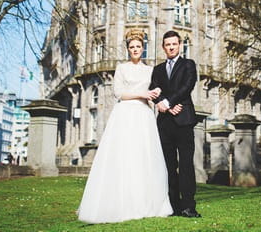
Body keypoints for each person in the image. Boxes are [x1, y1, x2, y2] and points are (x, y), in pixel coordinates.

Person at [77, 30, 173, 224]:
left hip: (144, 115)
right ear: (128, 49)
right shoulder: (121, 68)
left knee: (144, 157)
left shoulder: (150, 70)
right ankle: (120, 202)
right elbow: (119, 93)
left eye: (138, 46)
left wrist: (157, 95)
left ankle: (146, 201)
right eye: (132, 47)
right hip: (125, 113)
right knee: (123, 155)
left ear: (143, 48)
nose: (135, 50)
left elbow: (155, 91)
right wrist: (143, 94)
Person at [150, 30, 201, 218]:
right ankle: (173, 206)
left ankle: (189, 206)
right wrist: (165, 105)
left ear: (179, 45)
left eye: (174, 44)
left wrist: (168, 102)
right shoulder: (157, 70)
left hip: (184, 120)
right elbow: (153, 89)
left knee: (186, 164)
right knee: (168, 166)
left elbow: (187, 86)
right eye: (167, 44)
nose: (171, 47)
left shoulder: (188, 65)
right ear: (163, 47)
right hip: (164, 123)